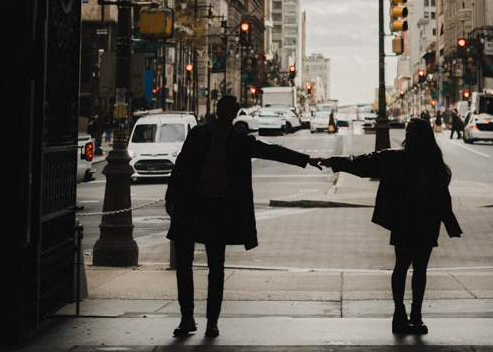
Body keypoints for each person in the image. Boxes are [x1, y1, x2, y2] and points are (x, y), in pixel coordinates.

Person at [165, 93, 311, 339]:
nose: (225, 113)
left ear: (234, 114)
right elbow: (181, 166)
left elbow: (271, 151)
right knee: (185, 267)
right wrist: (171, 197)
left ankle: (211, 322)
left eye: (229, 109)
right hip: (192, 206)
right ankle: (187, 318)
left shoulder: (239, 139)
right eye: (223, 108)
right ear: (217, 110)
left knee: (216, 268)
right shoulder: (199, 133)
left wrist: (306, 160)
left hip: (216, 210)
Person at [318, 117, 462, 334]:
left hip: (404, 220)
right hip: (426, 222)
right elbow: (443, 198)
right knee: (419, 269)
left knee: (402, 267)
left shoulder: (396, 158)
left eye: (411, 130)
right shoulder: (434, 163)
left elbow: (363, 163)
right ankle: (416, 316)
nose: (408, 134)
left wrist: (336, 162)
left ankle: (399, 314)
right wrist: (450, 224)